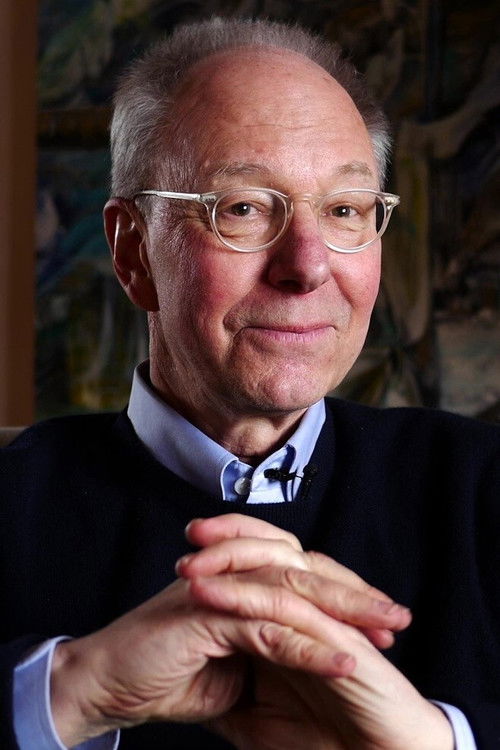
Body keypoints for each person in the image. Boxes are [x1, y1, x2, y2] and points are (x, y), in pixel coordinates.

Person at [1, 15, 499, 750]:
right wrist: (72, 689)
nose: (308, 266)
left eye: (344, 211)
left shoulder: (485, 486)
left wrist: (433, 741)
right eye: (242, 208)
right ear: (134, 252)